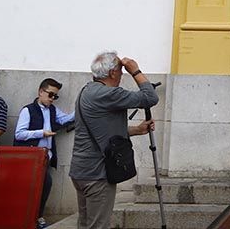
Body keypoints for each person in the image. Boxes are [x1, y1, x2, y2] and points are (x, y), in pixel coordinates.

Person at [69, 52, 156, 229]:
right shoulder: (109, 94)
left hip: (81, 170)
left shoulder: (87, 90)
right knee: (98, 226)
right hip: (97, 174)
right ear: (112, 73)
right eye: (121, 70)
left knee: (85, 224)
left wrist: (137, 130)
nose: (122, 74)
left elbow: (102, 132)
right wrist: (135, 71)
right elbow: (150, 97)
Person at [16, 78, 75, 229]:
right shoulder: (28, 110)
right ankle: (32, 217)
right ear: (40, 92)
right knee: (39, 186)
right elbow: (19, 134)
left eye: (55, 96)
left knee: (44, 186)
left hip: (45, 157)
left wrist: (81, 107)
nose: (52, 99)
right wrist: (41, 133)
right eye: (50, 95)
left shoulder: (53, 110)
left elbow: (67, 119)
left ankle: (36, 216)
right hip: (31, 157)